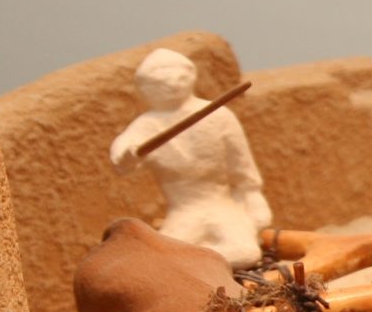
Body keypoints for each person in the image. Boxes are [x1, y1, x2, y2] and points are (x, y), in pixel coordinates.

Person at [110, 49, 271, 266]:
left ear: (190, 78)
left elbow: (241, 164)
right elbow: (123, 157)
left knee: (245, 252)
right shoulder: (146, 125)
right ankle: (195, 263)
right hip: (183, 209)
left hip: (221, 204)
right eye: (161, 84)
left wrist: (252, 194)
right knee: (163, 260)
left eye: (179, 79)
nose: (172, 87)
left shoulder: (218, 115)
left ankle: (195, 262)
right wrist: (129, 154)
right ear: (146, 88)